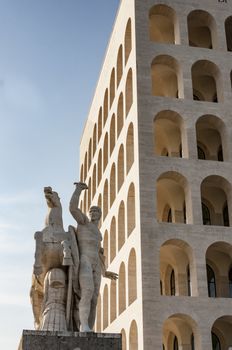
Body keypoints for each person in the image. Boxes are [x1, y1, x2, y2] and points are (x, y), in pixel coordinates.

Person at [69, 182, 118, 332]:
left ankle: (89, 326)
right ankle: (83, 325)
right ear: (89, 214)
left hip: (96, 263)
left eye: (97, 211)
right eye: (92, 211)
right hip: (84, 260)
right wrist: (78, 190)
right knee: (87, 291)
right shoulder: (84, 223)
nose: (94, 212)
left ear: (100, 215)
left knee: (95, 297)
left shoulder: (98, 233)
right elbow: (72, 208)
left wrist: (105, 271)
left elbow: (99, 254)